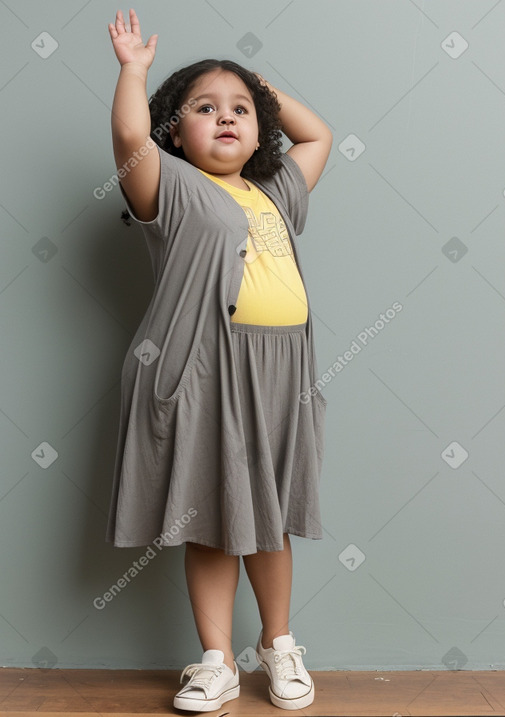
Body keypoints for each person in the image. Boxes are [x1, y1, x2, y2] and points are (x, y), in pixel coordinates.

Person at [105, 8, 332, 713]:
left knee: (267, 515)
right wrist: (135, 74)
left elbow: (319, 133)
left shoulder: (276, 191)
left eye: (240, 111)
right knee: (210, 518)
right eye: (205, 108)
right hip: (206, 371)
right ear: (176, 130)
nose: (225, 117)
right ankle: (215, 660)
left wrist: (256, 87)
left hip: (281, 373)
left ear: (259, 128)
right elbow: (128, 136)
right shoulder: (169, 186)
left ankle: (279, 645)